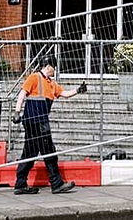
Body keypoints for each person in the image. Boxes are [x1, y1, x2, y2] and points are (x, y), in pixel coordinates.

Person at [11, 54, 87, 194]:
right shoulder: (34, 77)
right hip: (36, 121)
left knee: (30, 153)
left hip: (37, 121)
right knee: (49, 152)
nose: (55, 70)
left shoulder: (52, 84)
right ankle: (56, 184)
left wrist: (78, 90)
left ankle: (20, 184)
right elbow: (22, 94)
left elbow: (65, 94)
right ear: (48, 66)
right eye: (54, 68)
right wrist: (16, 112)